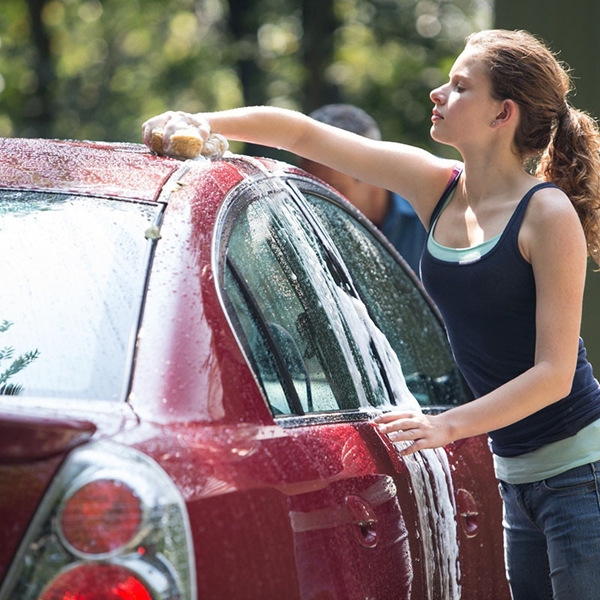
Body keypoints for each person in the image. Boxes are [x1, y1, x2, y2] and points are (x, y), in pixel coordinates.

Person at [142, 29, 600, 599]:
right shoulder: (437, 188)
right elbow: (301, 132)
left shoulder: (547, 213)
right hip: (516, 474)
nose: (438, 93)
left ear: (502, 113)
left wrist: (446, 425)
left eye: (459, 86)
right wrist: (196, 120)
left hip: (580, 476)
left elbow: (553, 375)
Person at [299, 104, 427, 274]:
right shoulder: (301, 229)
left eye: (332, 192)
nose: (315, 207)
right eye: (307, 192)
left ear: (374, 174)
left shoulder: (436, 206)